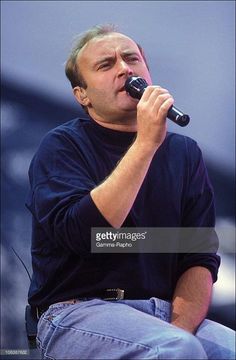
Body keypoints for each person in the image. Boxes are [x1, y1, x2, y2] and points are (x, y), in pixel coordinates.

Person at [26, 24, 235, 359]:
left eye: (131, 59)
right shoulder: (61, 147)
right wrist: (146, 143)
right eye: (106, 65)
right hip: (77, 313)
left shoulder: (186, 154)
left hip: (165, 316)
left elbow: (199, 254)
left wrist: (178, 329)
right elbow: (88, 236)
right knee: (177, 349)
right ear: (82, 95)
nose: (124, 68)